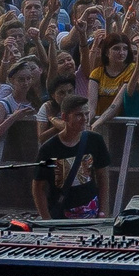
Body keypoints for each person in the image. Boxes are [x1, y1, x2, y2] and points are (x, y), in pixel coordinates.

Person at [33, 92, 108, 221]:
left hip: (91, 211)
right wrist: (46, 219)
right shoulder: (49, 148)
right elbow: (38, 187)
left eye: (86, 114)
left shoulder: (95, 140)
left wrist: (103, 211)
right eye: (79, 115)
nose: (84, 118)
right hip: (61, 213)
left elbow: (103, 177)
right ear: (65, 117)